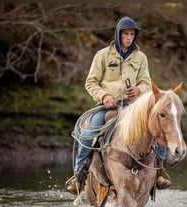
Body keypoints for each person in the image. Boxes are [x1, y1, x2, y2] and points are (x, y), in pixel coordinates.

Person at [65, 16, 171, 195]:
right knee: (87, 134)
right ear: (118, 34)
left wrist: (139, 90)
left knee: (157, 128)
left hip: (133, 108)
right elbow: (91, 82)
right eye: (125, 34)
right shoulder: (103, 55)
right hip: (107, 107)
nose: (129, 37)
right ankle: (79, 177)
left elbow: (147, 83)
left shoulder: (141, 57)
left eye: (131, 34)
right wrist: (104, 95)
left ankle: (159, 172)